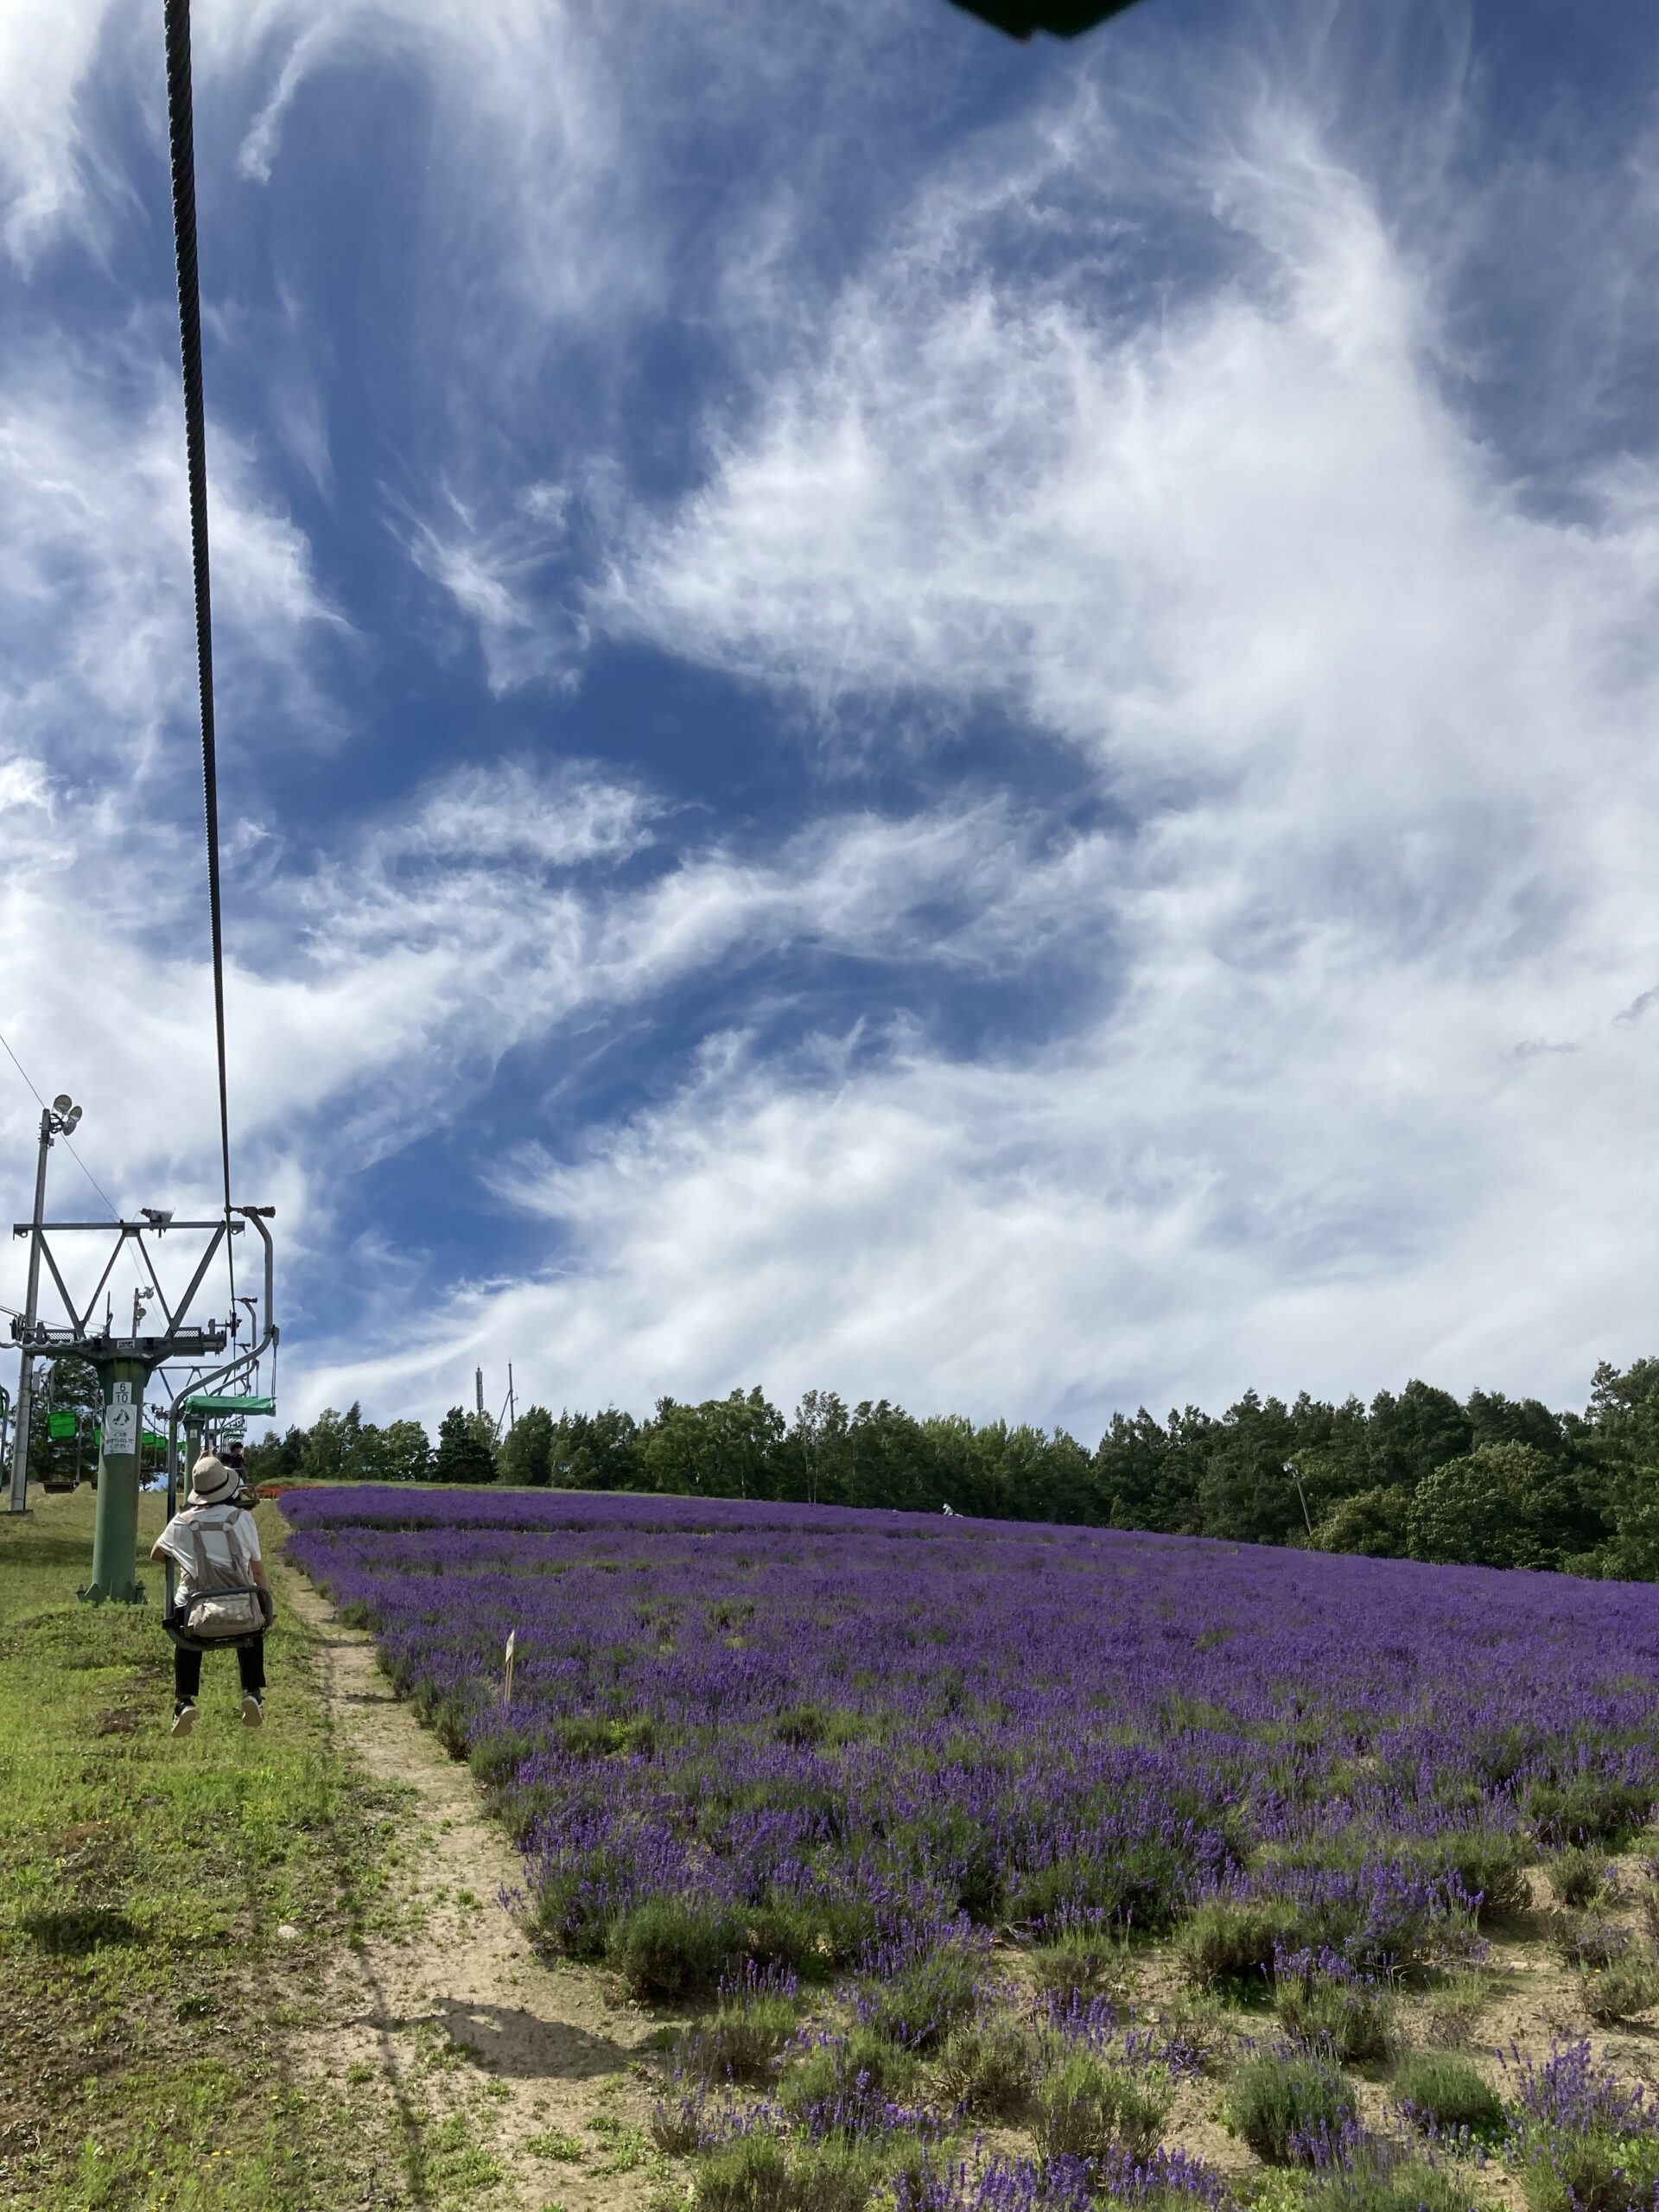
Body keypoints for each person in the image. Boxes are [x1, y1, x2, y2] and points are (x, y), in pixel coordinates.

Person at [149, 1452, 271, 1738]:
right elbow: (258, 1571)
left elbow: (156, 1554)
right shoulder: (242, 1519)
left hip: (196, 1614)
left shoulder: (181, 1523)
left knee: (186, 1634)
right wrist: (268, 1607)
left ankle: (184, 1701)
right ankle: (252, 1692)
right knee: (252, 1622)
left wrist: (184, 1554)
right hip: (241, 1608)